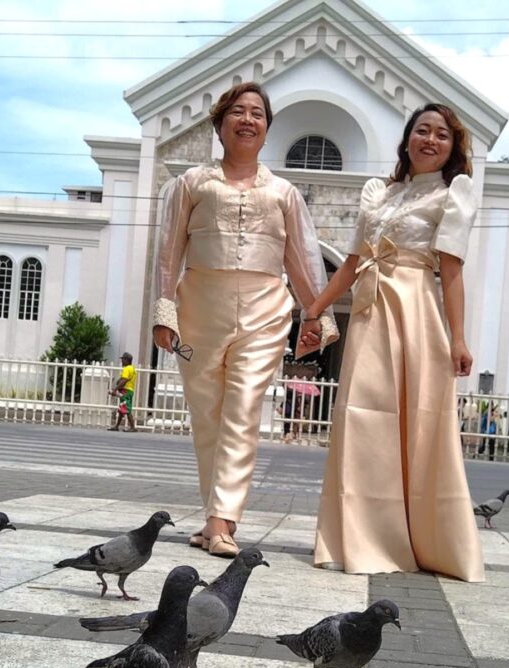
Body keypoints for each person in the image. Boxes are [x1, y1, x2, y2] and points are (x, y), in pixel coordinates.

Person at [151, 82, 338, 558]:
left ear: (267, 128)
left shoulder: (284, 193)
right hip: (199, 308)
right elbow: (169, 254)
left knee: (241, 413)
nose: (248, 119)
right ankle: (214, 515)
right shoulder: (191, 184)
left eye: (257, 113)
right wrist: (163, 312)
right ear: (219, 125)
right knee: (207, 415)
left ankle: (221, 522)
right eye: (238, 111)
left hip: (264, 310)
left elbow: (304, 261)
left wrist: (317, 316)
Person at [300, 103, 484, 582]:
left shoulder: (453, 194)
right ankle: (356, 538)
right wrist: (316, 307)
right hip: (369, 311)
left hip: (416, 311)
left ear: (452, 147)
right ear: (406, 140)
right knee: (360, 418)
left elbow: (451, 273)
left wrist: (458, 338)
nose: (429, 139)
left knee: (414, 425)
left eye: (441, 134)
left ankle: (421, 540)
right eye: (421, 130)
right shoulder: (379, 194)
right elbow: (351, 262)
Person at [109, 352, 137, 432]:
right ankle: (116, 426)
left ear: (126, 360)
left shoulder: (126, 369)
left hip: (125, 391)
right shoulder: (132, 368)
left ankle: (132, 427)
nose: (122, 362)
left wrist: (115, 389)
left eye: (123, 360)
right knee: (122, 408)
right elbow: (123, 379)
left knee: (126, 408)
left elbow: (123, 381)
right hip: (130, 391)